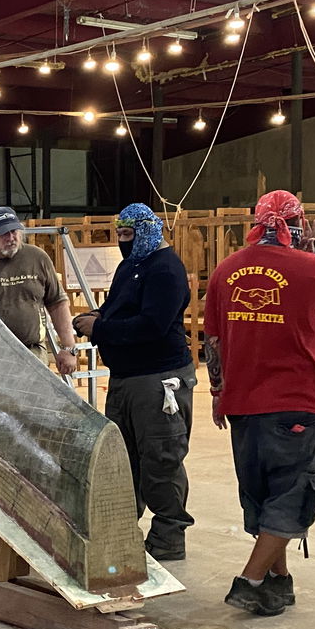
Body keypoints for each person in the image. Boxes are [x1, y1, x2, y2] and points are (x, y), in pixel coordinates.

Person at [203, 190, 315, 617]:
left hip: (242, 403)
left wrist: (218, 393)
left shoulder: (226, 270)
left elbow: (212, 339)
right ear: (300, 223)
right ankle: (250, 581)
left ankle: (277, 582)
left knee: (263, 492)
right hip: (296, 401)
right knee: (293, 493)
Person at [71, 202, 195, 561]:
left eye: (128, 234)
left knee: (160, 458)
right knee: (124, 460)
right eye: (120, 235)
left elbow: (152, 325)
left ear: (147, 232)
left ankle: (169, 536)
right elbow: (119, 307)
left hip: (157, 379)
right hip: (125, 378)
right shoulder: (131, 265)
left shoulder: (165, 270)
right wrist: (97, 316)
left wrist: (101, 329)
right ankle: (123, 529)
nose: (123, 241)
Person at [0, 205, 78, 530]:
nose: (11, 237)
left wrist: (67, 348)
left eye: (15, 231)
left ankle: (31, 502)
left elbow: (57, 302)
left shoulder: (37, 258)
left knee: (32, 428)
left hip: (32, 355)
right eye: (4, 233)